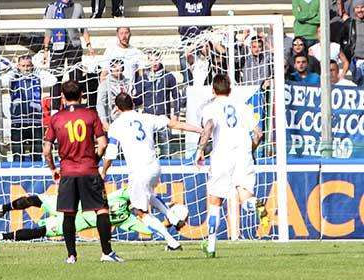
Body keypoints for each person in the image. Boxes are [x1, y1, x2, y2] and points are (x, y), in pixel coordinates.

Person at [101, 93, 202, 251]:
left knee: (139, 211)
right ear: (133, 105)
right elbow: (174, 124)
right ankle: (172, 217)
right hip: (155, 167)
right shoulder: (146, 117)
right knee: (149, 195)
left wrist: (103, 171)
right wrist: (199, 130)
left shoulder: (116, 125)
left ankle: (171, 241)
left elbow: (111, 153)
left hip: (139, 171)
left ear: (117, 108)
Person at [43, 80, 123, 264]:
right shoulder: (90, 114)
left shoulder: (56, 118)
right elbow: (103, 144)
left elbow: (47, 150)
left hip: (68, 172)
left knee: (68, 213)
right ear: (82, 96)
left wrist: (53, 168)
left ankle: (71, 255)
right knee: (101, 210)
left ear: (62, 97)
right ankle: (106, 253)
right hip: (89, 170)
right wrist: (94, 160)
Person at [194, 74, 267, 258]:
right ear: (230, 89)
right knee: (244, 195)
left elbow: (209, 127)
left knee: (215, 201)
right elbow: (258, 133)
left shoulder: (210, 107)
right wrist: (251, 149)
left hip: (222, 155)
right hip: (243, 153)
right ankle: (255, 203)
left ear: (213, 90)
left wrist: (200, 150)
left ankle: (210, 246)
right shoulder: (243, 106)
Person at [0, 187, 152, 246]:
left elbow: (149, 230)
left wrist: (170, 222)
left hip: (76, 222)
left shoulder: (127, 219)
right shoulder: (123, 195)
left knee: (39, 232)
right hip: (71, 204)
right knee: (34, 199)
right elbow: (138, 188)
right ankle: (2, 208)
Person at [1, 55, 56, 162]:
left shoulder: (37, 78)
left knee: (36, 155)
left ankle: (36, 177)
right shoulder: (13, 78)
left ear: (32, 66)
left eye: (28, 66)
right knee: (17, 155)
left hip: (35, 121)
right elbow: (2, 82)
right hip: (18, 121)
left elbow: (53, 80)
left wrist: (37, 70)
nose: (26, 68)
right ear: (18, 66)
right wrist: (13, 71)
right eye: (23, 66)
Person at [43, 0, 95, 112]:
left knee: (75, 78)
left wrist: (89, 45)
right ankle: (55, 109)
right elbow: (48, 30)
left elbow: (83, 29)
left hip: (74, 45)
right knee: (55, 78)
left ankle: (76, 106)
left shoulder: (78, 7)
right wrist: (46, 49)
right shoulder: (52, 8)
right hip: (57, 46)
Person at [133, 50, 181, 158]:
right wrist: (130, 99)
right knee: (148, 151)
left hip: (163, 118)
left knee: (166, 150)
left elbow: (176, 96)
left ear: (160, 60)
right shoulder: (142, 78)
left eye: (156, 60)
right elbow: (139, 99)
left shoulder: (168, 76)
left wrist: (176, 114)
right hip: (147, 118)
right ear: (148, 61)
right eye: (151, 60)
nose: (154, 63)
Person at [172, 0, 217, 85]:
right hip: (187, 42)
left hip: (204, 41)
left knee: (212, 66)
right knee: (184, 61)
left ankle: (210, 85)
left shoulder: (206, 1)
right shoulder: (181, 1)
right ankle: (188, 89)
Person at [96, 58, 131, 131]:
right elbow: (100, 104)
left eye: (120, 68)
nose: (118, 70)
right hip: (113, 119)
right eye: (115, 67)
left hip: (128, 118)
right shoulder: (105, 84)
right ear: (111, 69)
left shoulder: (128, 82)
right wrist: (104, 121)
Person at [342, 0, 364, 86]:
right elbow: (342, 40)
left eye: (362, 7)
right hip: (355, 61)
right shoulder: (349, 23)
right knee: (356, 87)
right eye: (357, 8)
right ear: (354, 9)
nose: (360, 10)